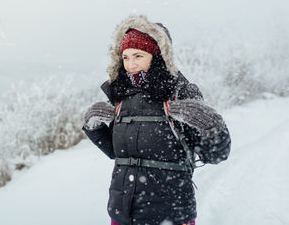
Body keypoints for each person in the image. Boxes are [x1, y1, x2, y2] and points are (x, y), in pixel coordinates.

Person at [82, 15, 231, 225]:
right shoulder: (121, 97)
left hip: (169, 215)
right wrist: (93, 127)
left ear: (156, 56)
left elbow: (217, 154)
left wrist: (211, 125)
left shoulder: (180, 93)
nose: (131, 65)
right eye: (125, 57)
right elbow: (119, 154)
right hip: (122, 213)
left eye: (138, 56)